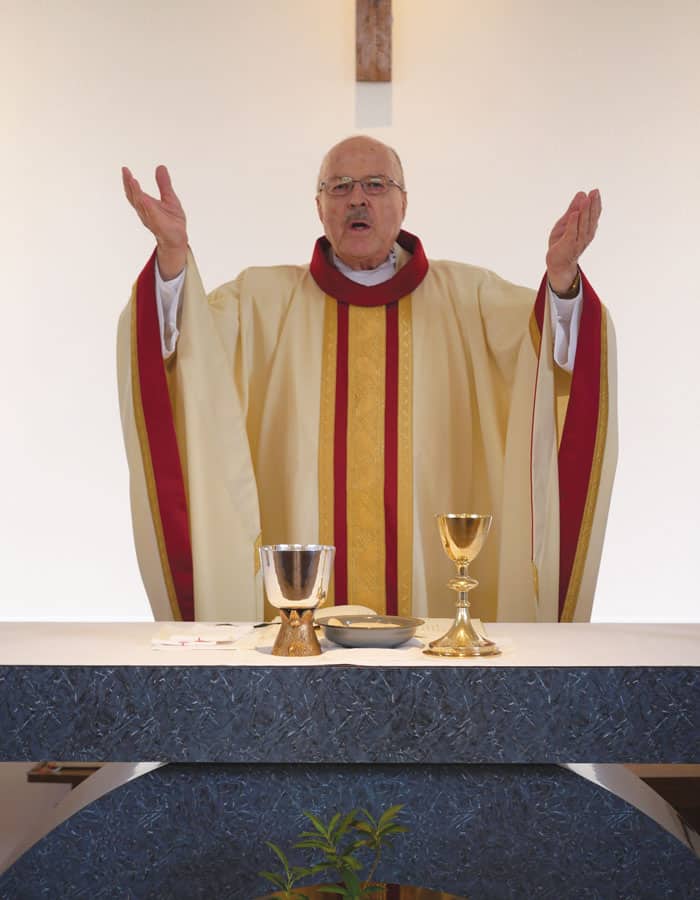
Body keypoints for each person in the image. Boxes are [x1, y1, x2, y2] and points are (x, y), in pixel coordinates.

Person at [118, 136, 616, 624]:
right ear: (319, 207)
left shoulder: (471, 299)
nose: (357, 198)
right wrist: (173, 260)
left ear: (404, 203)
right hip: (296, 627)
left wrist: (563, 282)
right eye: (339, 187)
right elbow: (188, 354)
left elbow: (550, 357)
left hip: (436, 610)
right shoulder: (260, 302)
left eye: (376, 184)